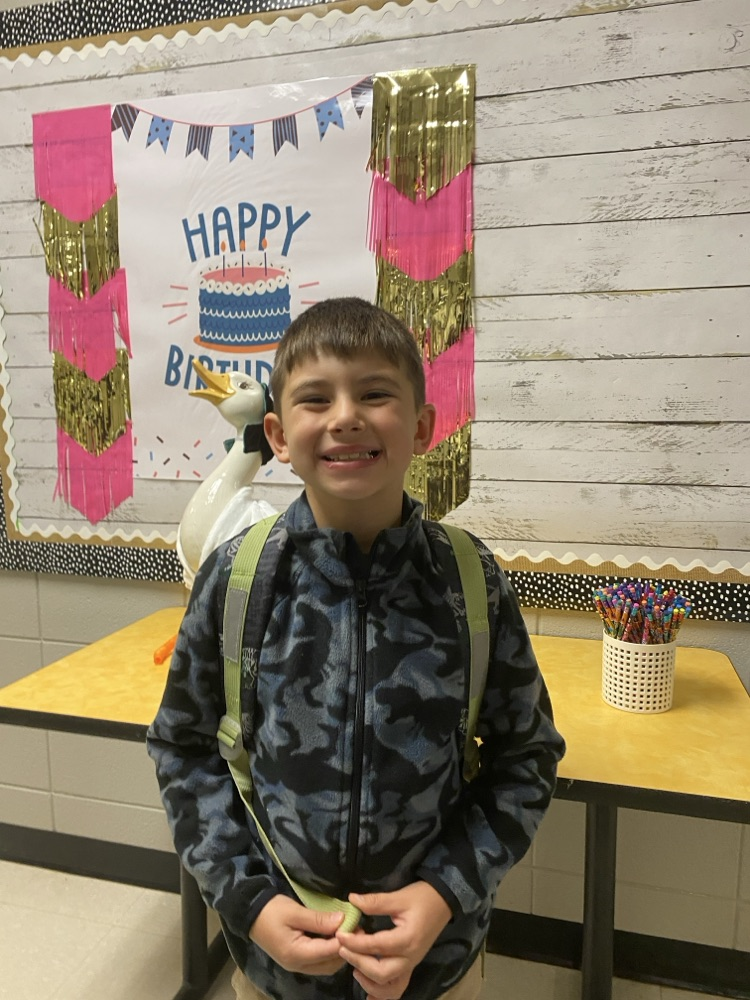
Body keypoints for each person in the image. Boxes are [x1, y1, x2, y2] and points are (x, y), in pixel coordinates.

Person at [147, 297, 565, 1000]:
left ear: (423, 426)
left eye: (375, 393)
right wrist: (251, 904)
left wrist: (442, 895)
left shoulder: (471, 582)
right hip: (278, 966)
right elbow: (183, 750)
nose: (345, 416)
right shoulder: (237, 578)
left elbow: (525, 758)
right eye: (316, 399)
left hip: (437, 963)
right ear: (277, 434)